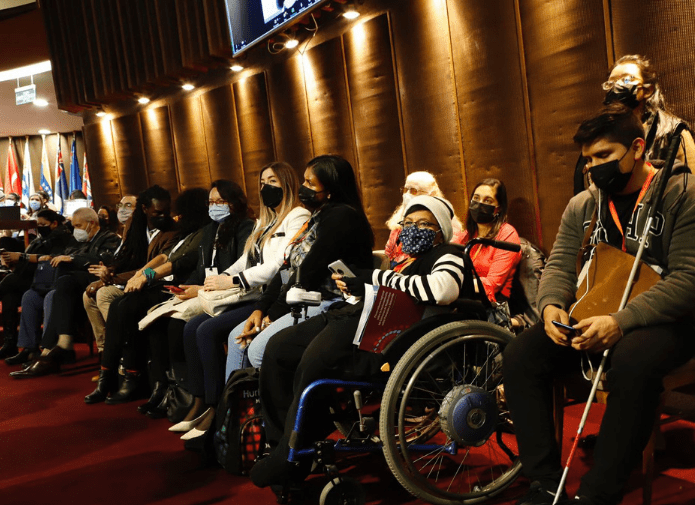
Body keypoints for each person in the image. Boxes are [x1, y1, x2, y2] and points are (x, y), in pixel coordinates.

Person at [499, 104, 695, 505]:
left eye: (605, 155)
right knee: (521, 354)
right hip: (594, 313)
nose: (595, 167)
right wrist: (550, 308)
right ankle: (544, 485)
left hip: (665, 322)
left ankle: (595, 502)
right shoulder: (584, 203)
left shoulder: (690, 195)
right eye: (589, 159)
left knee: (633, 361)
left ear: (637, 148)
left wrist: (622, 322)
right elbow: (559, 263)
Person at [249, 195, 476, 488]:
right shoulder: (405, 261)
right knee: (278, 349)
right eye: (408, 223)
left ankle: (289, 456)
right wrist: (356, 288)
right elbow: (383, 293)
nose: (413, 228)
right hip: (353, 316)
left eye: (423, 224)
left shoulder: (449, 254)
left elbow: (442, 290)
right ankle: (281, 443)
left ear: (440, 230)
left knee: (315, 365)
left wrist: (374, 278)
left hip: (388, 338)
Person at [173, 162, 311, 439]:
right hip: (256, 292)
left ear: (287, 182)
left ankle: (223, 409)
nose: (266, 187)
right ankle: (206, 401)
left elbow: (277, 265)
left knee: (213, 330)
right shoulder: (266, 219)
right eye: (262, 182)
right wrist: (223, 277)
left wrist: (234, 281)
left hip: (271, 295)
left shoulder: (298, 215)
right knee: (192, 327)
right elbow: (246, 258)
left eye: (273, 181)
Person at [84, 181, 253, 404]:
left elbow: (182, 264)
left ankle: (187, 395)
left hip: (216, 291)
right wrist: (144, 275)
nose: (175, 217)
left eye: (219, 202)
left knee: (151, 315)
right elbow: (172, 259)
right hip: (191, 287)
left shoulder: (231, 228)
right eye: (211, 202)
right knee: (125, 306)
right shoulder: (206, 230)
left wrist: (150, 277)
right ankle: (124, 377)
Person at [222, 155, 375, 383]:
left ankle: (278, 413)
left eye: (311, 184)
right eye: (304, 181)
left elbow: (310, 271)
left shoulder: (341, 217)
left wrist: (271, 317)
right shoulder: (317, 216)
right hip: (301, 298)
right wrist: (261, 310)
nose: (303, 188)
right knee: (237, 338)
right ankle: (236, 413)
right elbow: (287, 266)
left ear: (331, 190)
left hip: (329, 301)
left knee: (258, 350)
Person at [81, 186, 179, 379]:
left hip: (154, 284)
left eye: (166, 212)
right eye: (157, 212)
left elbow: (153, 269)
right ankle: (107, 355)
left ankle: (124, 358)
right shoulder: (135, 223)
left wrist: (110, 280)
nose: (163, 216)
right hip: (132, 279)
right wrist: (110, 271)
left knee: (104, 294)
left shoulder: (172, 232)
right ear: (144, 209)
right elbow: (126, 256)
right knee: (88, 296)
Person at [9, 207, 121, 377]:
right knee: (30, 296)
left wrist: (73, 259)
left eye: (78, 225)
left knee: (56, 293)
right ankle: (34, 348)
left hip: (90, 284)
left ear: (91, 224)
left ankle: (51, 351)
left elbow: (103, 260)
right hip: (66, 287)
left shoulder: (109, 238)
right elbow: (61, 255)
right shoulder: (76, 241)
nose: (75, 229)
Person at [0, 210, 74, 360]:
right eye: (38, 224)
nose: (40, 227)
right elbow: (30, 259)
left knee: (10, 281)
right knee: (9, 295)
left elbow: (51, 258)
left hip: (49, 280)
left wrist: (22, 257)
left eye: (43, 224)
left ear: (54, 223)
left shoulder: (62, 236)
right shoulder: (42, 237)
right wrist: (13, 261)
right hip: (33, 278)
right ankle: (12, 344)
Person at [574, 54, 695, 195]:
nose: (617, 85)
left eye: (627, 79)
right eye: (611, 83)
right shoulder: (598, 134)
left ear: (647, 90)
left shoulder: (672, 132)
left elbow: (693, 189)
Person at [455, 178, 522, 326]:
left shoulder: (507, 234)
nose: (480, 204)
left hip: (492, 304)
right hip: (466, 298)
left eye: (488, 200)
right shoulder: (467, 235)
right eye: (476, 198)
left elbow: (493, 283)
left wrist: (455, 284)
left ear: (498, 208)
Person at [384, 171, 464, 267]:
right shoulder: (399, 222)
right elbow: (388, 252)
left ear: (432, 193)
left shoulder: (444, 225)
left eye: (414, 191)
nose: (407, 195)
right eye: (405, 190)